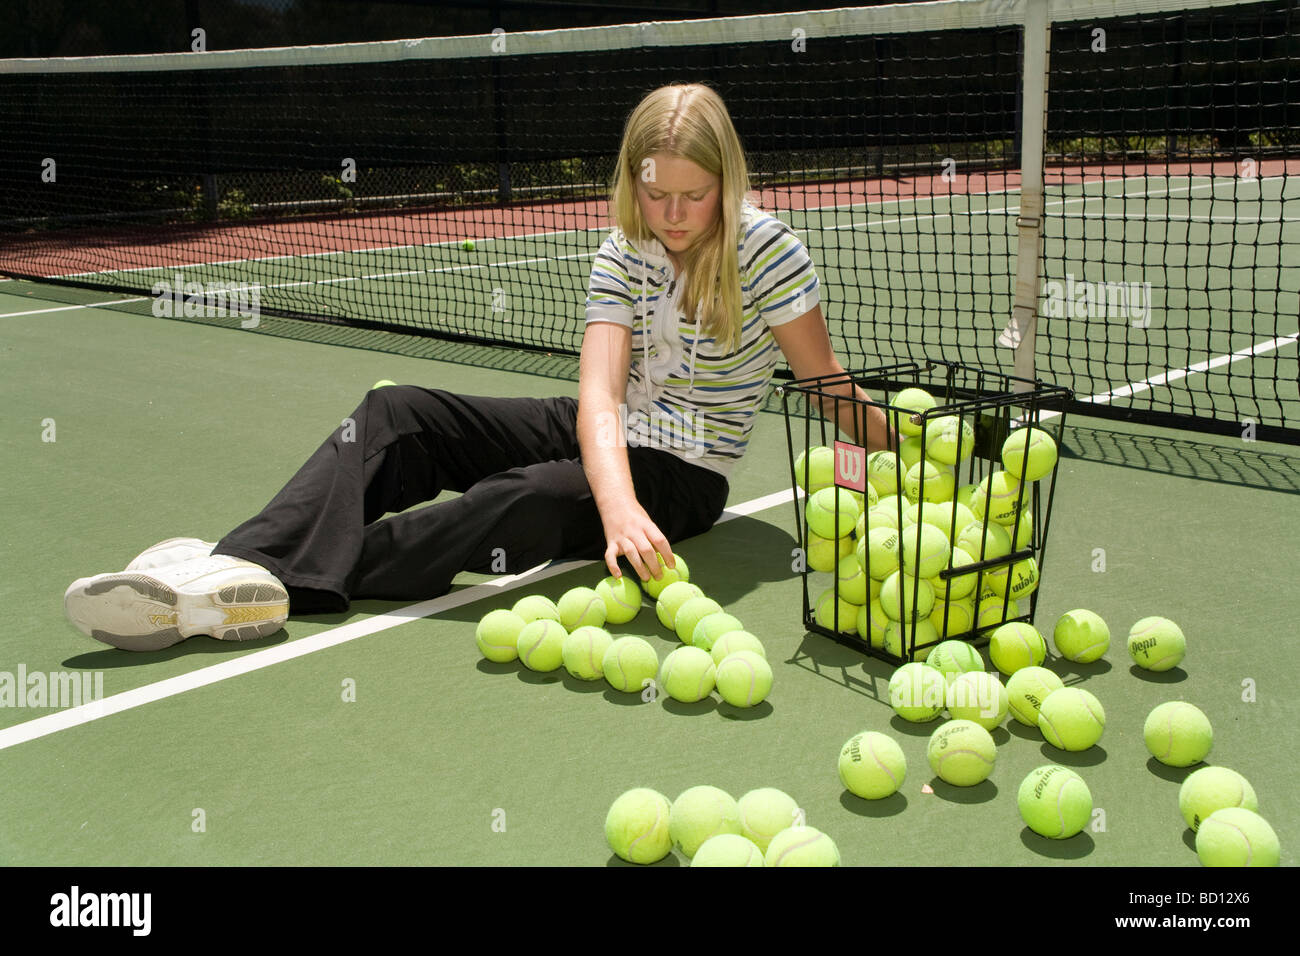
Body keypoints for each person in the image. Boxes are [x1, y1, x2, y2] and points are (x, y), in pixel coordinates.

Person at [63, 83, 893, 652]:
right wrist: (612, 499)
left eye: (695, 196)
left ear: (727, 182)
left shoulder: (768, 252)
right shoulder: (622, 250)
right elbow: (597, 398)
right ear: (630, 184)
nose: (673, 216)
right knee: (399, 412)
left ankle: (251, 585)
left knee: (522, 499)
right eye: (656, 194)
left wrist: (907, 448)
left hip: (686, 471)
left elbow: (824, 383)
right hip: (612, 441)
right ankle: (233, 562)